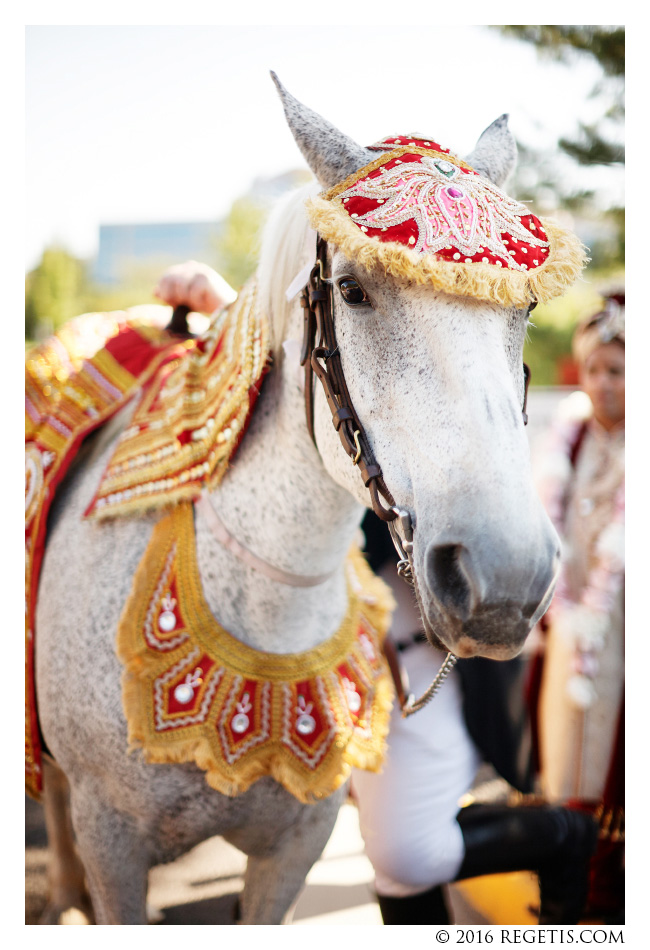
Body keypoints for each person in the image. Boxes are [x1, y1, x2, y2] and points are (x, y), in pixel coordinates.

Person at [153, 261, 598, 926]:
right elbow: (285, 369)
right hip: (336, 663)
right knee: (388, 859)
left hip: (412, 658)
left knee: (406, 854)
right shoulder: (330, 361)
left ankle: (566, 840)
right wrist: (223, 301)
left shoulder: (447, 393)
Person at [530, 293, 625, 921]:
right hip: (567, 625)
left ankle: (606, 899)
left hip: (624, 633)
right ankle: (563, 892)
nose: (604, 384)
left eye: (619, 370)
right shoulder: (569, 438)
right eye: (594, 369)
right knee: (561, 759)